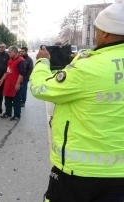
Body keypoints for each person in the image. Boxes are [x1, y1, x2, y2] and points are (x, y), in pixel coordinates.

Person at [30, 2, 124, 201]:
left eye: (97, 30)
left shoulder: (88, 68)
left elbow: (40, 88)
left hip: (80, 174)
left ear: (106, 33)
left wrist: (42, 62)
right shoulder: (88, 65)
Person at [0, 46, 25, 121]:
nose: (8, 53)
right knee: (7, 100)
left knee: (16, 101)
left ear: (14, 52)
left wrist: (18, 84)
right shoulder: (10, 60)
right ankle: (8, 113)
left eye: (9, 52)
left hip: (15, 84)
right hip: (8, 84)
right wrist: (2, 80)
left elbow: (21, 74)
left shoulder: (20, 61)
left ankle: (17, 115)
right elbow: (7, 71)